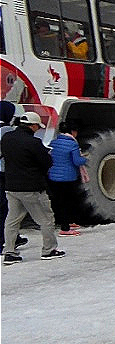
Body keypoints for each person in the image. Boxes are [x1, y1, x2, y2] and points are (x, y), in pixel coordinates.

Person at [2, 112, 65, 264]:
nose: (37, 129)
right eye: (37, 126)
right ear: (32, 125)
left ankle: (9, 252)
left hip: (11, 187)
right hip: (31, 188)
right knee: (46, 219)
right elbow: (47, 162)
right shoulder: (33, 142)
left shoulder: (7, 138)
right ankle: (49, 250)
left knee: (12, 220)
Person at [47, 121, 87, 236]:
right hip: (67, 178)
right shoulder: (72, 144)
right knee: (67, 202)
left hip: (54, 177)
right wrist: (86, 158)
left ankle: (65, 222)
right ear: (73, 132)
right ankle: (65, 228)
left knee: (59, 201)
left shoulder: (54, 142)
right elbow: (77, 161)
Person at [0, 101, 29, 252]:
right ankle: (4, 241)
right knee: (5, 207)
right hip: (3, 173)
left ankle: (14, 237)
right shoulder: (6, 130)